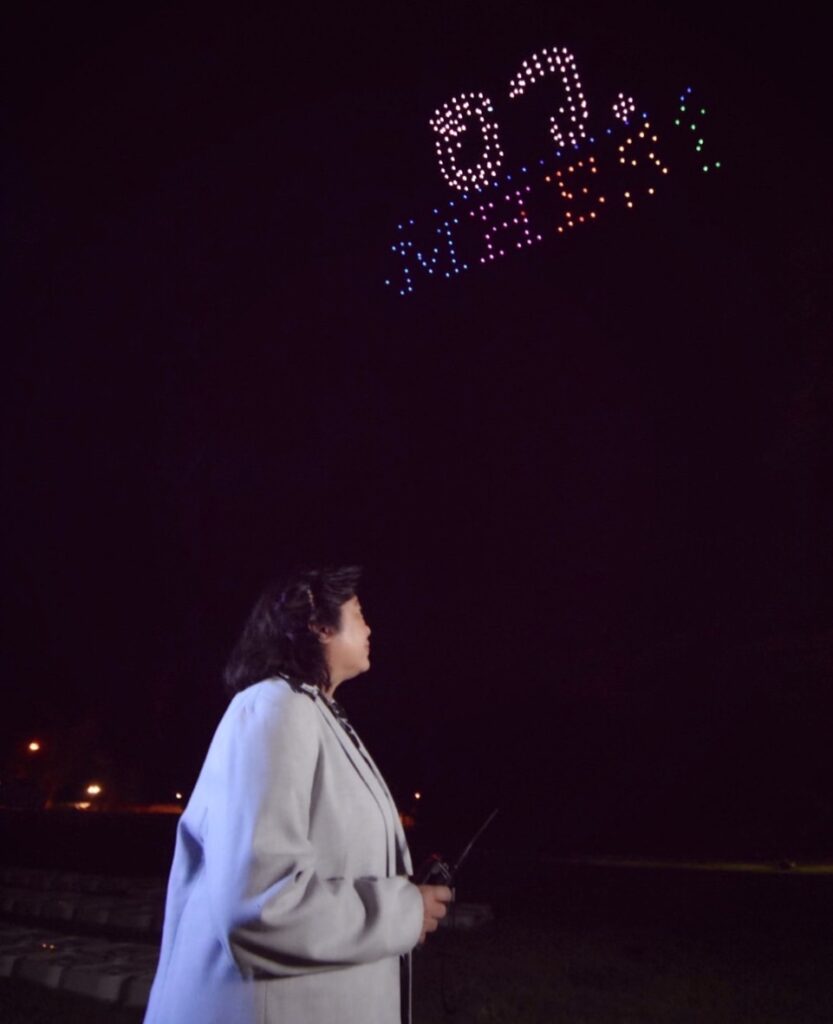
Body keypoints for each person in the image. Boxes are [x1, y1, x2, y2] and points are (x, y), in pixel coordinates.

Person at [143, 566, 451, 1024]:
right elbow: (261, 905)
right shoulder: (274, 708)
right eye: (359, 613)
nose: (370, 628)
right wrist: (402, 912)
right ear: (319, 625)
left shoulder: (315, 714)